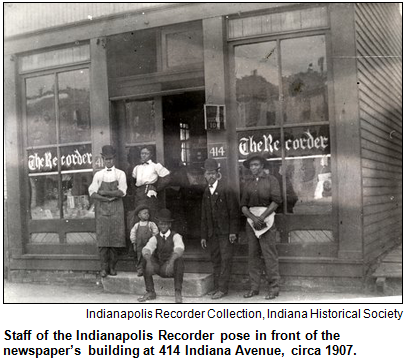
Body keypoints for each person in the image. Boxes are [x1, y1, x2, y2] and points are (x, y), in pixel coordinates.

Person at [241, 152, 282, 300]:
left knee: (269, 254)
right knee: (253, 255)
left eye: (256, 164)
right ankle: (254, 287)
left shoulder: (272, 180)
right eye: (251, 165)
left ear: (262, 166)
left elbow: (276, 200)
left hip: (267, 220)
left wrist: (262, 217)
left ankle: (274, 288)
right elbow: (243, 206)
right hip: (252, 222)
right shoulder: (247, 183)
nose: (254, 168)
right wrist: (253, 218)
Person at [200, 158, 239, 299]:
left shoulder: (226, 189)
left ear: (217, 174)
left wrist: (233, 232)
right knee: (216, 259)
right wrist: (204, 235)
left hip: (226, 233)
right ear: (204, 175)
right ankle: (217, 287)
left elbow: (234, 212)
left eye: (213, 173)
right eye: (208, 173)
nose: (210, 176)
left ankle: (223, 289)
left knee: (225, 259)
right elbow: (204, 215)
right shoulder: (206, 192)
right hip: (212, 233)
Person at [88, 145, 127, 278]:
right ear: (103, 159)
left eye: (110, 159)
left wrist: (104, 192)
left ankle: (112, 267)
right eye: (106, 159)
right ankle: (103, 268)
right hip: (102, 210)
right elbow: (92, 193)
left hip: (117, 210)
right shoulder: (98, 175)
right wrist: (106, 199)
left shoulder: (120, 174)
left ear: (114, 159)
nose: (108, 161)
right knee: (103, 240)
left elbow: (122, 191)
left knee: (115, 240)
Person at [138, 209, 185, 303]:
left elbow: (179, 248)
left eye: (165, 223)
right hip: (160, 268)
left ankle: (178, 292)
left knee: (179, 260)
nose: (163, 226)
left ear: (169, 225)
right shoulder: (155, 238)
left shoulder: (176, 236)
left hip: (171, 269)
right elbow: (147, 248)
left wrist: (171, 263)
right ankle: (150, 292)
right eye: (161, 223)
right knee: (145, 259)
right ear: (158, 225)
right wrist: (149, 262)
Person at [131, 146, 171, 221]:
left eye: (146, 153)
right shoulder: (137, 167)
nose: (143, 155)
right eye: (142, 153)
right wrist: (136, 190)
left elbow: (167, 177)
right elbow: (133, 181)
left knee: (151, 214)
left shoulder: (155, 166)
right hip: (139, 194)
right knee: (139, 215)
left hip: (150, 193)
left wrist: (156, 187)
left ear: (151, 155)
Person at [130, 205, 159, 277]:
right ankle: (140, 270)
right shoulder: (137, 225)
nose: (147, 215)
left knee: (150, 257)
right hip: (140, 245)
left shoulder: (151, 224)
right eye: (144, 213)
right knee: (140, 257)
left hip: (149, 245)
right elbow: (133, 234)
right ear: (139, 215)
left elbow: (156, 233)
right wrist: (134, 243)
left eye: (148, 213)